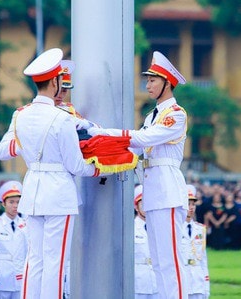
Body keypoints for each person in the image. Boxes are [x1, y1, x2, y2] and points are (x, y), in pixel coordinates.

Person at [0, 48, 100, 298]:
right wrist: (97, 168)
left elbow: (3, 151)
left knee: (35, 259)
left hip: (33, 190)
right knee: (55, 262)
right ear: (55, 82)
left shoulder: (21, 115)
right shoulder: (61, 119)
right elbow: (76, 166)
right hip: (59, 193)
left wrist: (27, 145)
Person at [89, 50, 189, 299]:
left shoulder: (176, 114)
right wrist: (97, 134)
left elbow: (143, 139)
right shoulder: (151, 116)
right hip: (153, 190)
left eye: (153, 80)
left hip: (167, 189)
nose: (148, 84)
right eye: (148, 79)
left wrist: (105, 133)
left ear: (167, 82)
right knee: (158, 260)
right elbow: (134, 146)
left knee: (170, 260)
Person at [0, 181, 28, 299]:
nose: (15, 206)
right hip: (2, 279)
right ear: (4, 203)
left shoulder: (26, 226)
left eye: (18, 202)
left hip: (20, 279)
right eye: (11, 202)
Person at [181, 185, 210, 299]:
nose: (191, 207)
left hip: (198, 280)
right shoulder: (175, 228)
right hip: (183, 278)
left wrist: (206, 286)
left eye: (193, 204)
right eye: (188, 204)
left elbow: (203, 259)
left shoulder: (200, 229)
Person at [133, 184, 159, 299]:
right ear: (136, 207)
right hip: (138, 282)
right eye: (142, 203)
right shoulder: (130, 228)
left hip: (156, 280)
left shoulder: (159, 227)